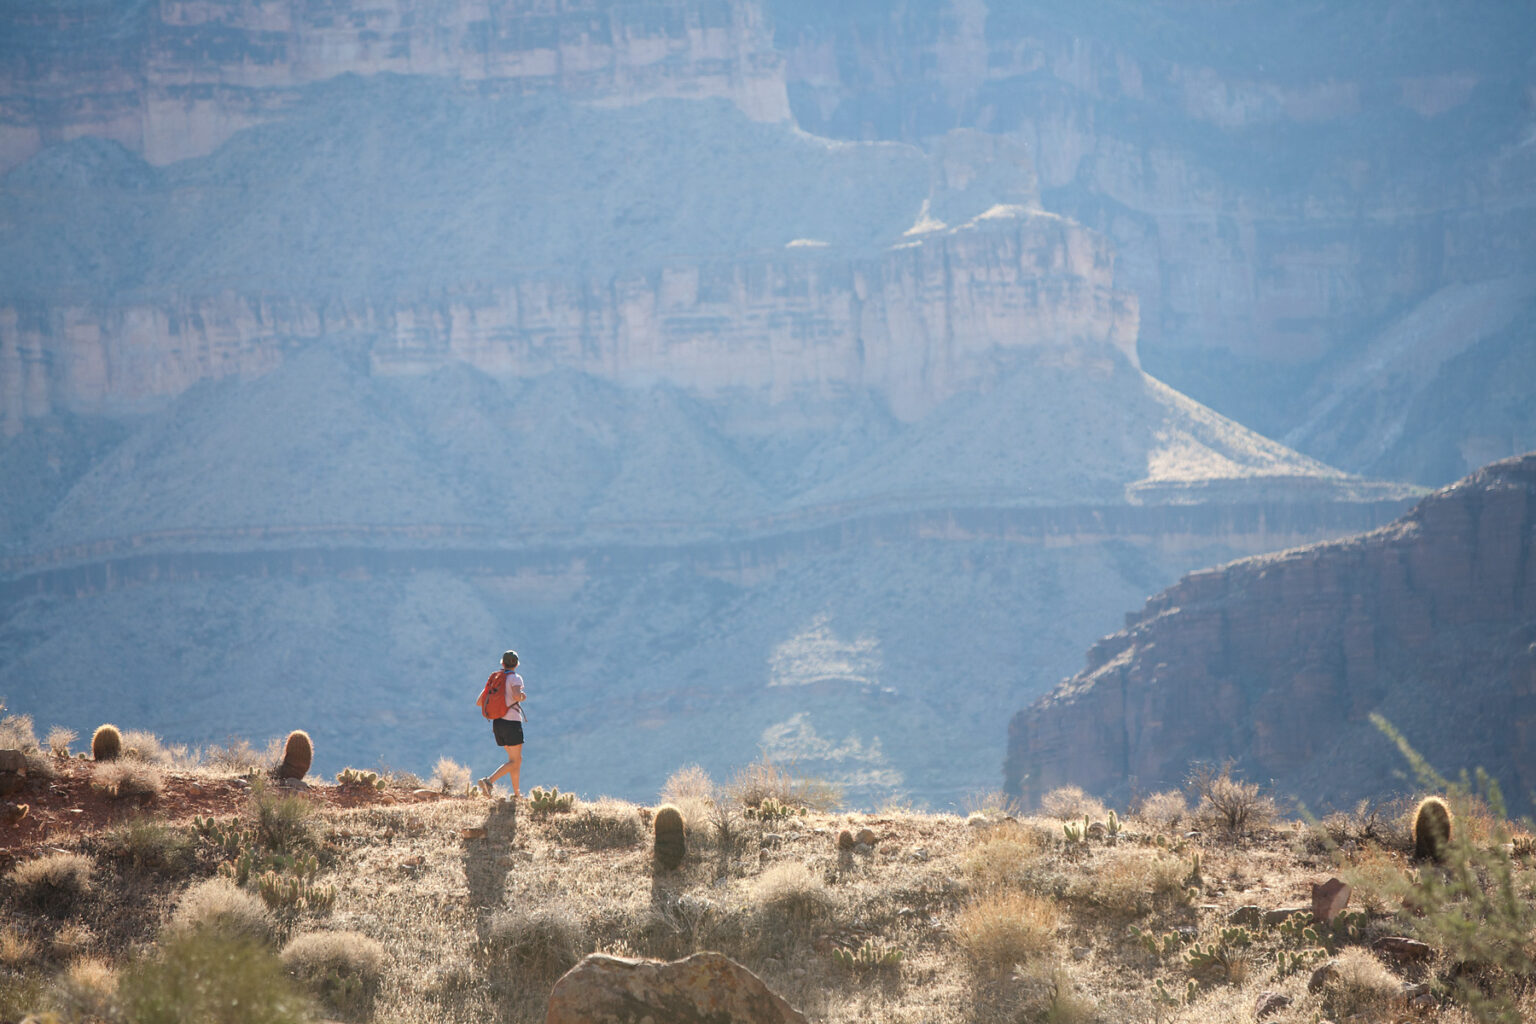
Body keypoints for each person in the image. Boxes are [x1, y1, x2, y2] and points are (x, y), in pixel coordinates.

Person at [478, 650, 526, 799]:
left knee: (515, 760)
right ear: (516, 664)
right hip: (512, 723)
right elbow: (518, 695)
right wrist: (522, 696)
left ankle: (517, 794)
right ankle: (489, 781)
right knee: (515, 760)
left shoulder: (496, 678)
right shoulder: (515, 678)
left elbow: (479, 701)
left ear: (502, 663)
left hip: (497, 723)